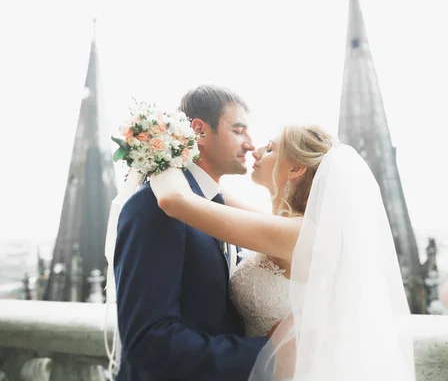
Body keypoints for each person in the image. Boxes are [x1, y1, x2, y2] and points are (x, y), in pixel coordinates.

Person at [149, 124, 417, 380]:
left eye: (270, 149)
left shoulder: (301, 234)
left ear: (296, 168)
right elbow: (214, 196)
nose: (255, 151)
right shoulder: (291, 228)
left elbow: (175, 201)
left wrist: (154, 151)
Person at [109, 85, 269, 381]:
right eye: (238, 131)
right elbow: (148, 339)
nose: (250, 144)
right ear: (199, 131)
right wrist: (267, 356)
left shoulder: (216, 206)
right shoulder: (155, 207)